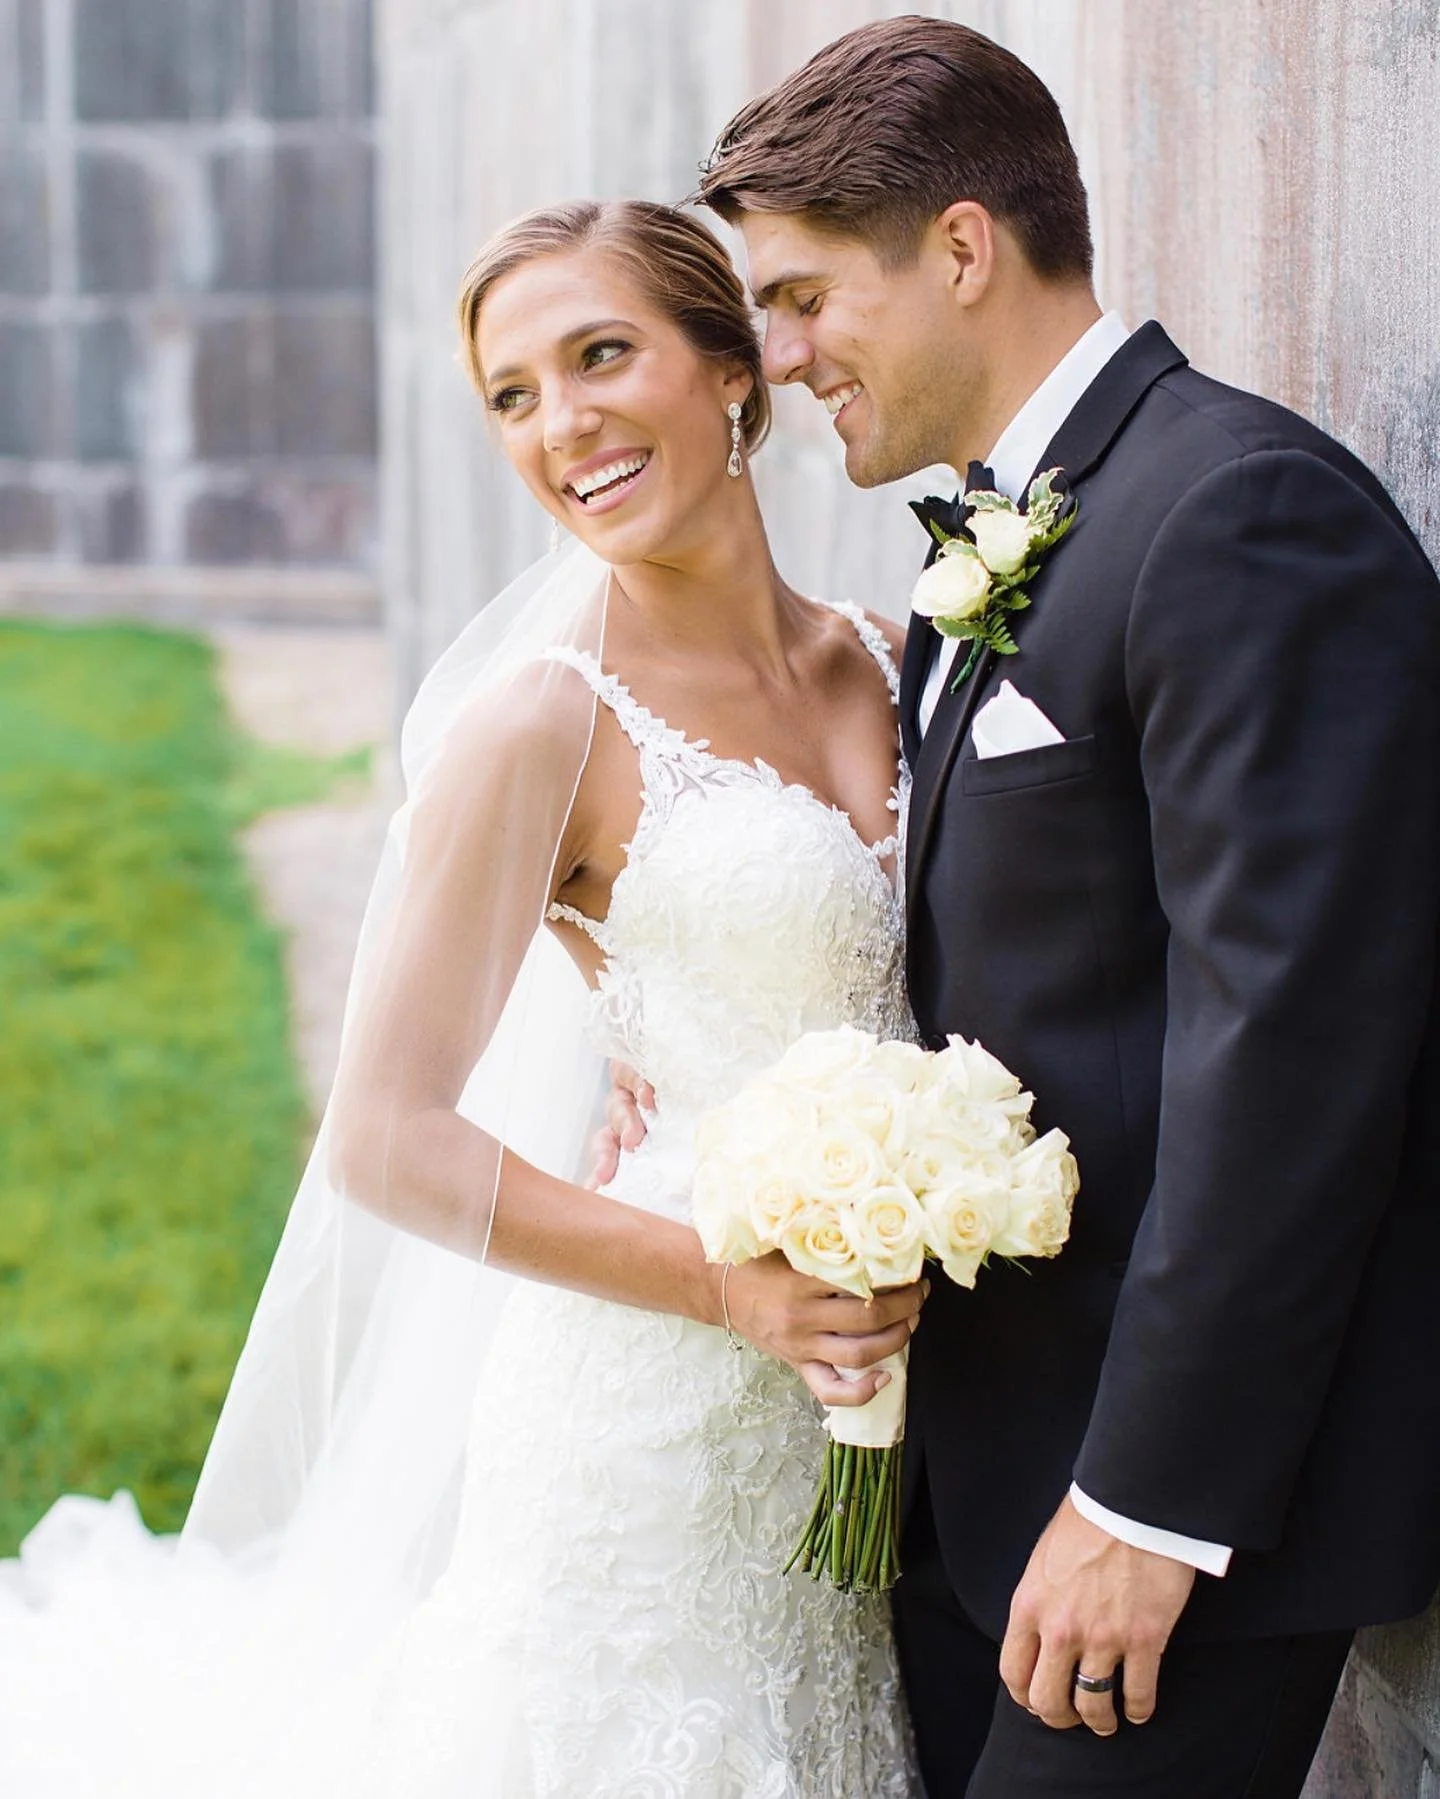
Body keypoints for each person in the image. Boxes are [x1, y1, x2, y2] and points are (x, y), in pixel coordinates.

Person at [602, 17, 1440, 1797]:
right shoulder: (1021, 526)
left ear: (964, 248)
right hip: (982, 1477)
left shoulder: (1236, 515)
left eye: (806, 296)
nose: (780, 355)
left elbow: (1293, 1052)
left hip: (1176, 1517)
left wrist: (1150, 1505)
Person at [0, 200, 921, 1796]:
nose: (562, 425)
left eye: (601, 355)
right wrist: (730, 1289)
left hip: (882, 1407)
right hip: (648, 1429)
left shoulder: (902, 660)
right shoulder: (542, 726)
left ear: (732, 368)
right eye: (513, 395)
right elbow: (385, 1136)